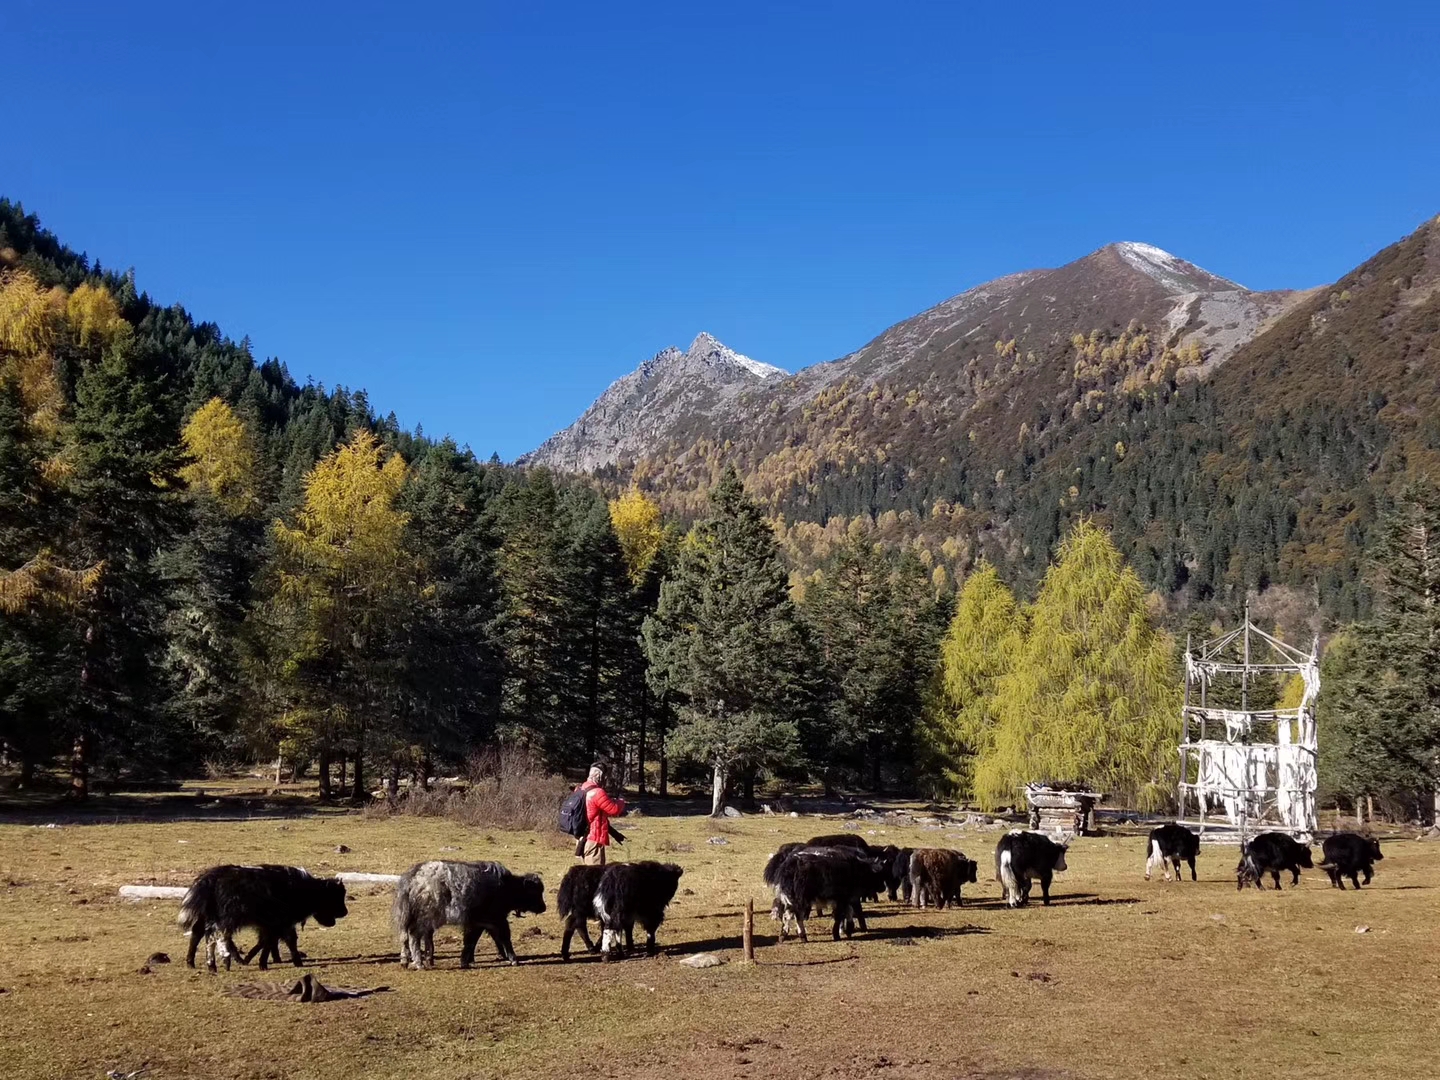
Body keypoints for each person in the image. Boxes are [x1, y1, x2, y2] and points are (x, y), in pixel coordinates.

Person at [578, 763, 625, 866]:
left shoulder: (581, 789)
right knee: (595, 875)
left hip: (581, 838)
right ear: (599, 775)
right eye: (603, 776)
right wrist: (621, 801)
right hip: (594, 840)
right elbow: (614, 809)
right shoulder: (598, 792)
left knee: (586, 874)